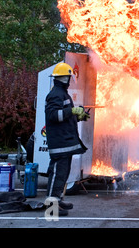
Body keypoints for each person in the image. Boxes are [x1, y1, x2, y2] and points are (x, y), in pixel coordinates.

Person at [45, 62, 89, 216]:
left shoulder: (62, 93)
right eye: (69, 77)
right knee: (57, 173)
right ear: (64, 78)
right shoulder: (55, 94)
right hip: (59, 143)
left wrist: (79, 116)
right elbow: (52, 116)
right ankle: (51, 209)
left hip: (65, 142)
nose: (70, 80)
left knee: (63, 174)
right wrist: (71, 110)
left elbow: (65, 118)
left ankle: (58, 200)